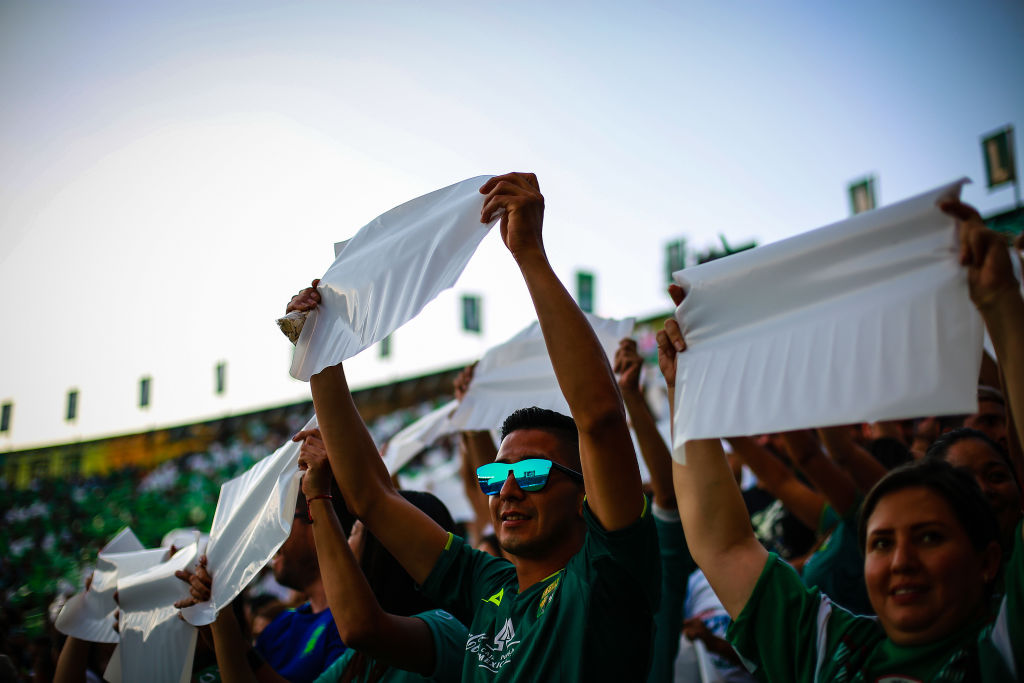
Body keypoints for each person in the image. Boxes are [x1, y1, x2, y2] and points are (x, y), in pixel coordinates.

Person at [291, 172, 659, 681]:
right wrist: (323, 355)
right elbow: (374, 499)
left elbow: (598, 417)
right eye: (495, 475)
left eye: (531, 473)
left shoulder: (607, 574)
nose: (506, 489)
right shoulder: (486, 585)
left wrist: (529, 252)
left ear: (584, 494)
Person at [656, 198, 1024, 680]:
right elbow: (723, 547)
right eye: (879, 544)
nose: (901, 562)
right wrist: (689, 387)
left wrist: (1001, 304)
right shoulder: (828, 649)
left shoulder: (1005, 647)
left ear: (988, 560)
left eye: (930, 537)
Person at [291, 432, 467, 683]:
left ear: (384, 552)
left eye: (354, 532)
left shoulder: (449, 630)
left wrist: (318, 496)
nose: (346, 545)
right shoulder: (360, 658)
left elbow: (360, 629)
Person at [176, 475, 350, 683]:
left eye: (281, 519)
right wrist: (211, 633)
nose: (270, 534)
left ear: (317, 522)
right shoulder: (281, 625)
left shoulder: (351, 625)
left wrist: (221, 616)